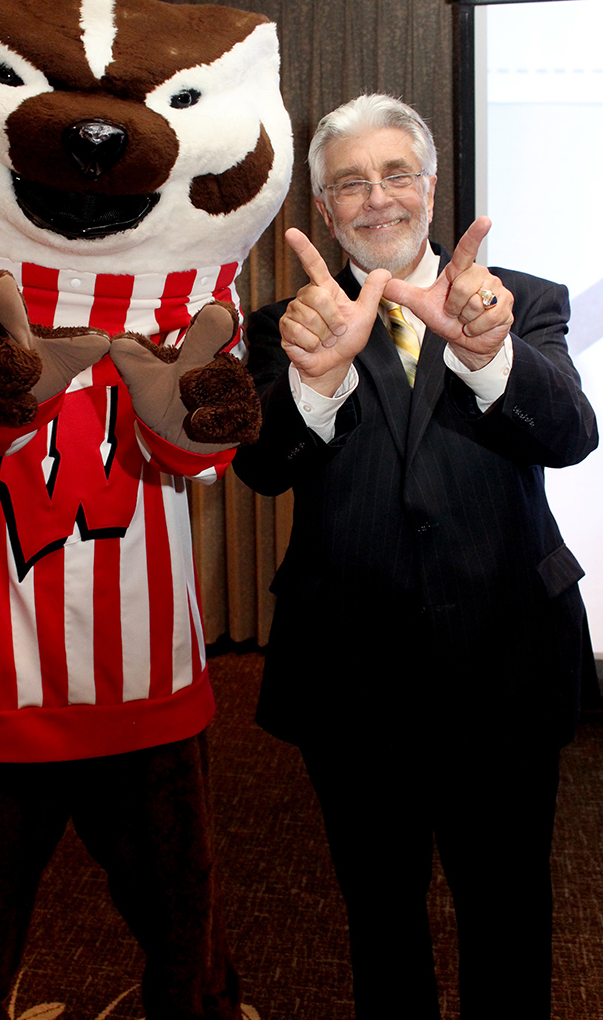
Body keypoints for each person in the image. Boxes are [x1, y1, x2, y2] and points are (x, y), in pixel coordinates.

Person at [233, 94, 598, 1019]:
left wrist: (489, 353)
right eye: (349, 183)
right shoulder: (287, 325)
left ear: (431, 186)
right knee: (379, 919)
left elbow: (570, 433)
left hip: (508, 663)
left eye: (397, 174)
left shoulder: (521, 299)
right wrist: (316, 383)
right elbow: (262, 467)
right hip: (350, 677)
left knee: (510, 914)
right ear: (323, 210)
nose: (377, 199)